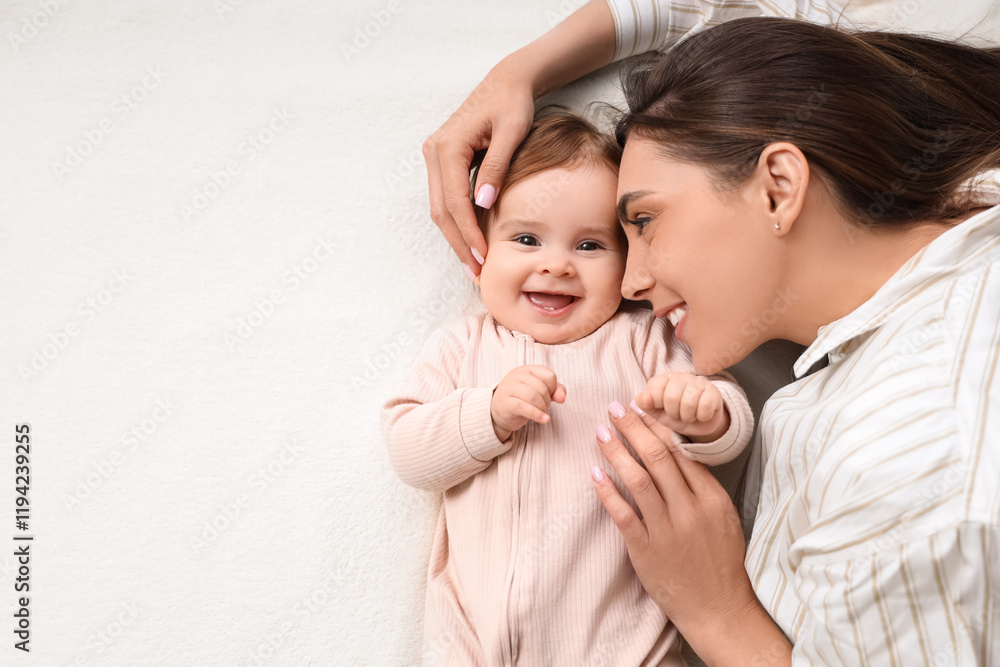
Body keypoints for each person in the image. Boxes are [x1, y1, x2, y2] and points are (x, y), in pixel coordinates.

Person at [424, 4, 1000, 666]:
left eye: (641, 221)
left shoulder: (907, 475)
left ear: (779, 187)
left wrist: (715, 609)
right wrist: (521, 72)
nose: (631, 282)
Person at [383, 109, 754, 665]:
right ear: (481, 246)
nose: (556, 266)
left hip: (627, 646)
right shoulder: (462, 347)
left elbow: (731, 421)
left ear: (627, 261)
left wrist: (707, 414)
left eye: (589, 246)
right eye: (527, 238)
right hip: (472, 645)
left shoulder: (642, 340)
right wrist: (486, 415)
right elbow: (409, 451)